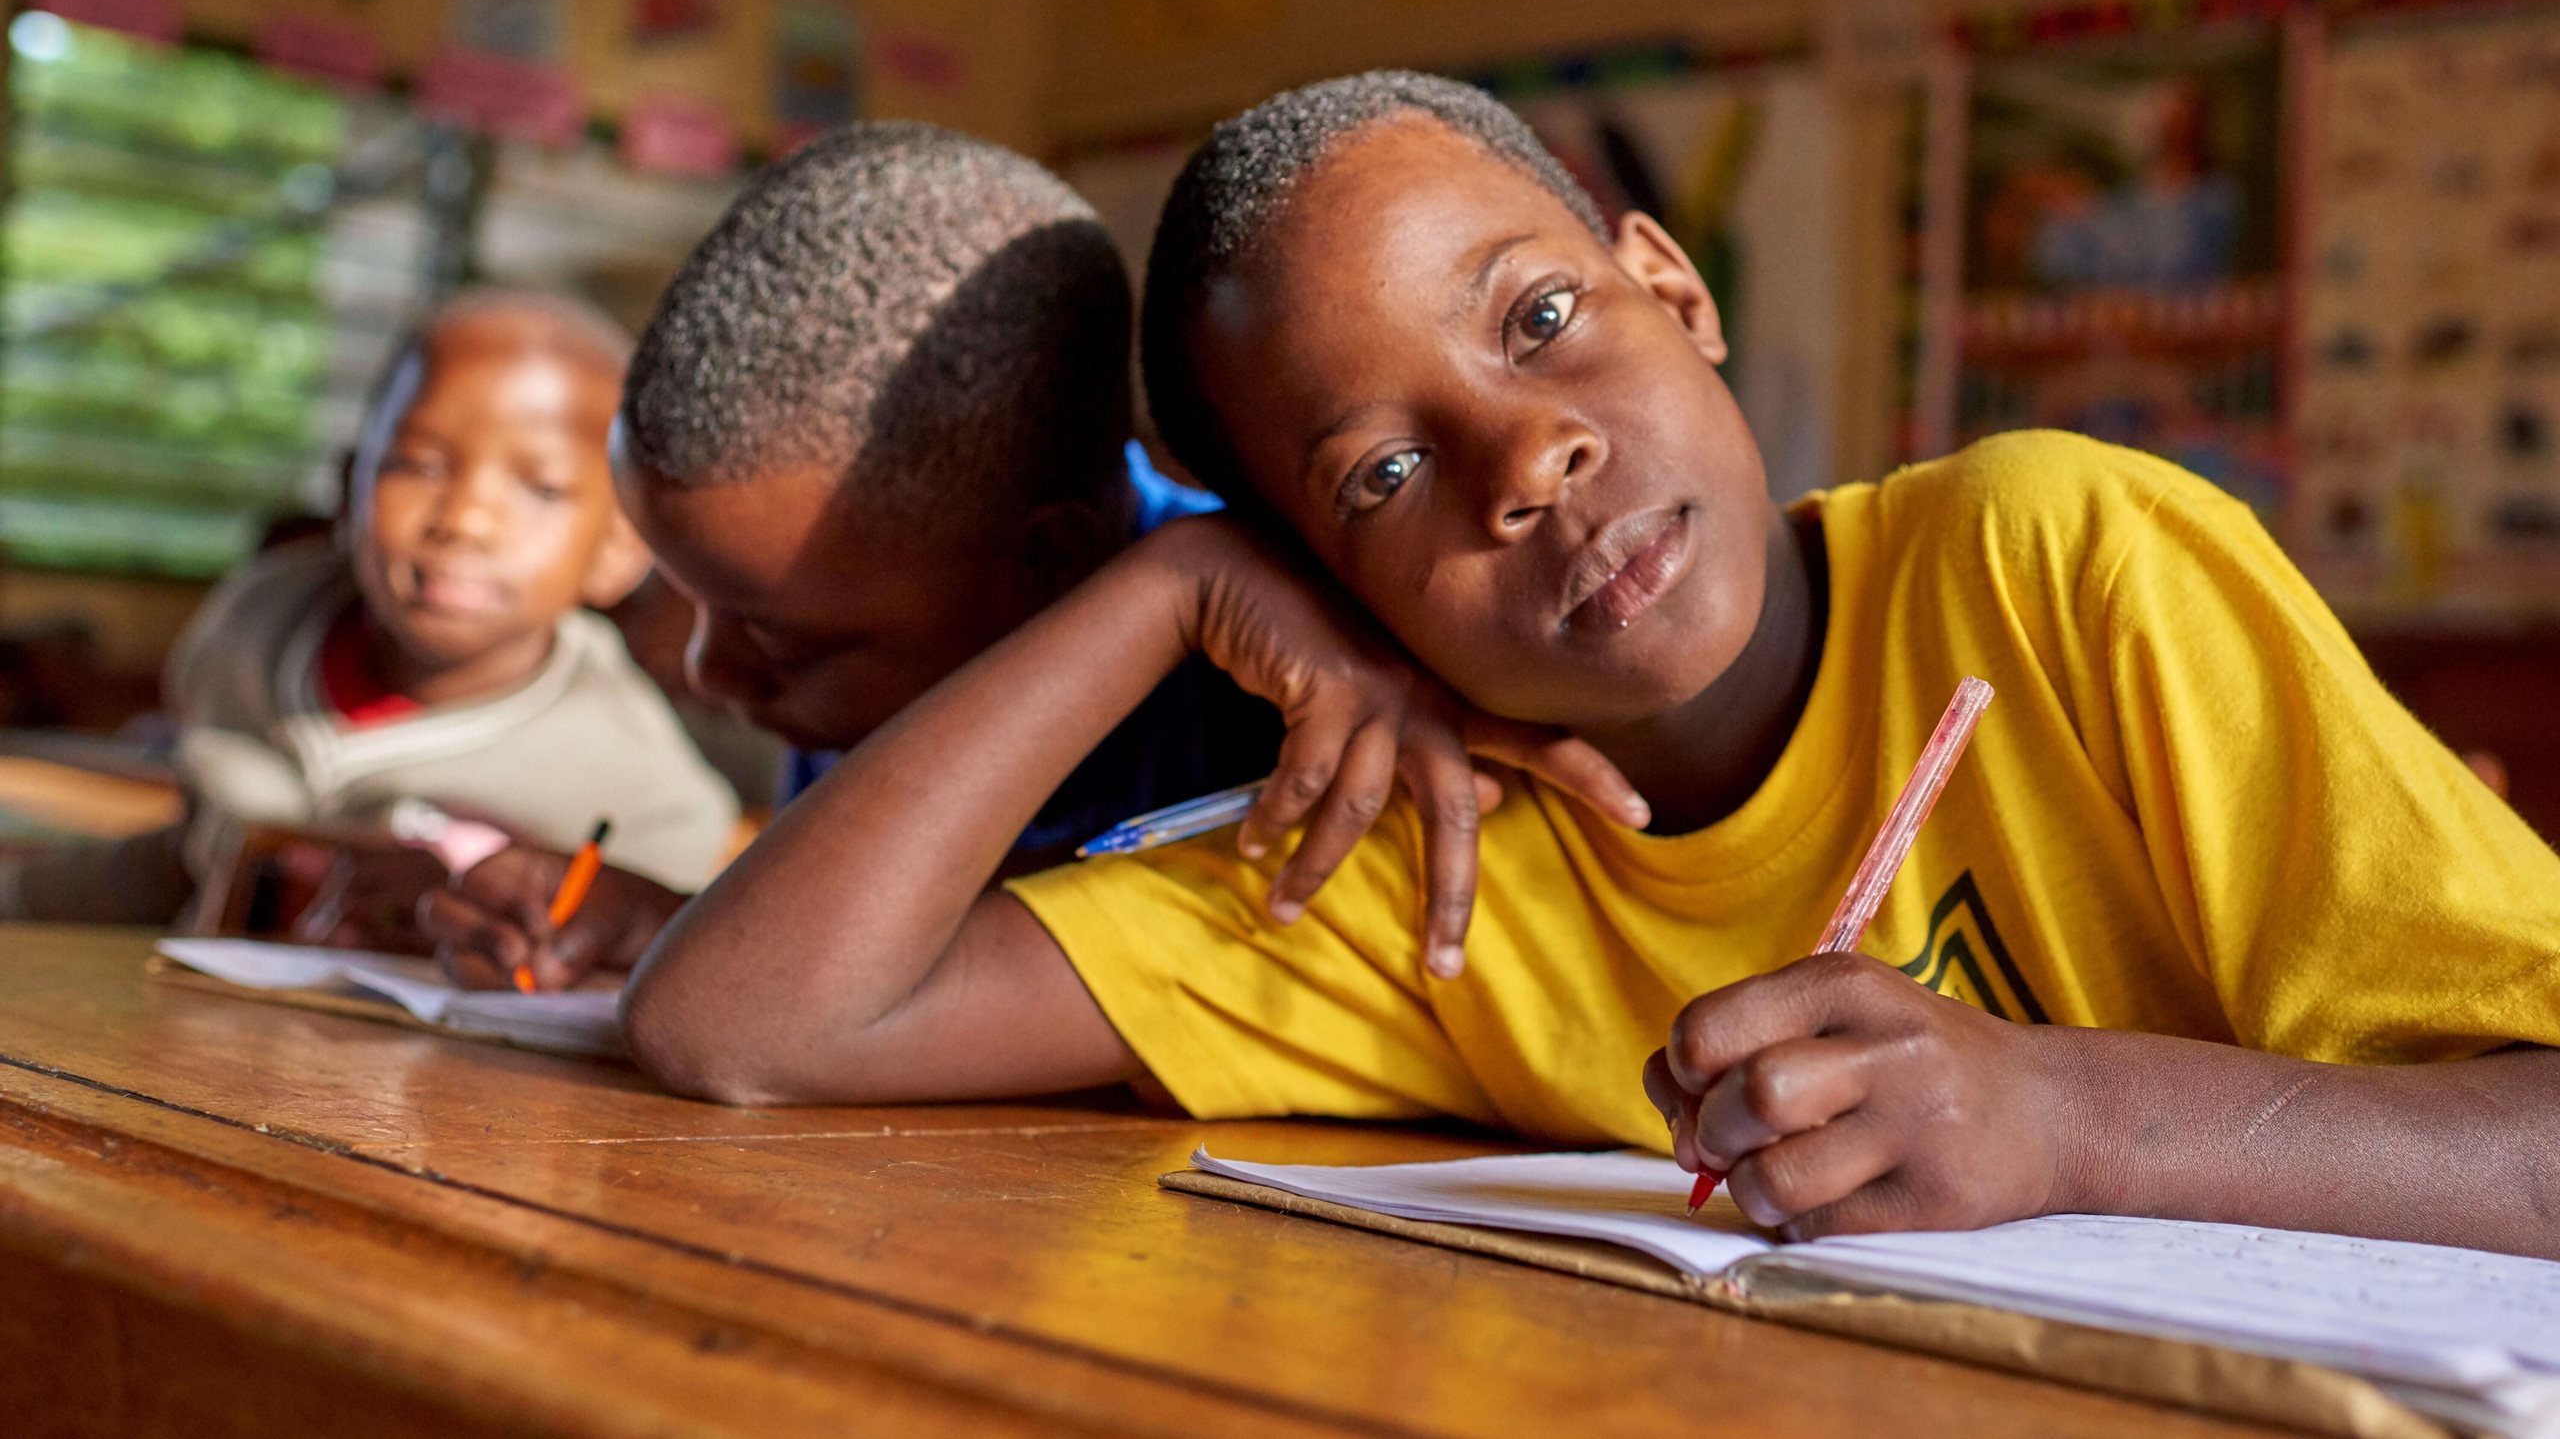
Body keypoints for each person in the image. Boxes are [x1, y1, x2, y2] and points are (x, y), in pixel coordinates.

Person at [623, 73, 2560, 1260]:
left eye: (1541, 316)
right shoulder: (1407, 864)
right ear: (1324, 572)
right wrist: (1172, 580)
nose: (1522, 453)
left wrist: (2071, 1116)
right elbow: (754, 1021)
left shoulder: (2046, 551)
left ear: (1676, 287)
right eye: (1374, 470)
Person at [419, 123, 1638, 990]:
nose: (715, 673)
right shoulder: (876, 632)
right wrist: (662, 926)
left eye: (774, 634)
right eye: (694, 606)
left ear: (1049, 565)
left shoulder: (1322, 686)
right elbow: (851, 965)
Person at [0, 291, 738, 933]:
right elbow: (187, 858)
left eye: (539, 489)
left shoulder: (639, 787)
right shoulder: (254, 628)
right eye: (418, 465)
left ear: (618, 548)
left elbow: (638, 958)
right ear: (352, 488)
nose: (466, 521)